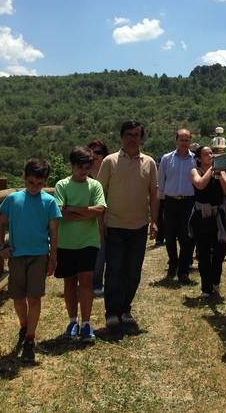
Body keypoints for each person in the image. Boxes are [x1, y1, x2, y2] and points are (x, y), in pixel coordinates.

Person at [0, 158, 61, 363]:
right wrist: (1, 247)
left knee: (34, 297)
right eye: (31, 182)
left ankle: (30, 339)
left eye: (39, 184)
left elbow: (54, 231)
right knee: (17, 297)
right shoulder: (13, 199)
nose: (35, 187)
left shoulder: (49, 202)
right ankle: (24, 325)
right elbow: (0, 224)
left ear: (44, 182)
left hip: (39, 255)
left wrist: (53, 257)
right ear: (24, 178)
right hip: (16, 255)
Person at [97, 120, 159, 329]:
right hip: (114, 224)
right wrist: (100, 223)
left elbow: (154, 194)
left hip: (139, 225)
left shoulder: (149, 163)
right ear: (122, 137)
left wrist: (155, 222)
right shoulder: (110, 161)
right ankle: (112, 312)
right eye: (129, 135)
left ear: (141, 138)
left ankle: (125, 309)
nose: (133, 139)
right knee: (114, 270)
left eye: (136, 135)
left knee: (133, 271)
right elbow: (100, 193)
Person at [54, 146, 107, 342]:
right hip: (66, 243)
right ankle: (72, 321)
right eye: (80, 168)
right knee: (69, 283)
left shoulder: (95, 185)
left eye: (87, 168)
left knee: (86, 282)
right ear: (72, 166)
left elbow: (100, 210)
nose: (84, 172)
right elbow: (60, 213)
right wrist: (86, 212)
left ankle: (86, 323)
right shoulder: (62, 185)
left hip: (88, 242)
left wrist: (73, 210)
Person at [189, 145, 226, 297]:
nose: (211, 156)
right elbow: (200, 184)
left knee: (220, 252)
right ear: (199, 158)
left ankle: (215, 282)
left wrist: (220, 174)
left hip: (218, 216)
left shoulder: (220, 171)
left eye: (212, 153)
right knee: (204, 253)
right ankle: (206, 288)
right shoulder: (195, 171)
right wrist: (212, 169)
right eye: (207, 154)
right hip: (202, 216)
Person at [158, 129, 196, 283]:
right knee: (170, 236)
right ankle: (172, 265)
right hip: (170, 201)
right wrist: (161, 203)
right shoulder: (167, 159)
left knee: (186, 237)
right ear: (176, 141)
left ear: (190, 141)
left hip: (188, 202)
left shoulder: (195, 159)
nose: (184, 142)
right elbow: (161, 182)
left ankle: (183, 270)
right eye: (181, 139)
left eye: (187, 139)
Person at [88, 139, 109, 297]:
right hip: (92, 216)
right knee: (98, 250)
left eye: (98, 152)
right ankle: (96, 282)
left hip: (112, 214)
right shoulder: (83, 172)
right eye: (92, 151)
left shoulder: (110, 169)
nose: (95, 155)